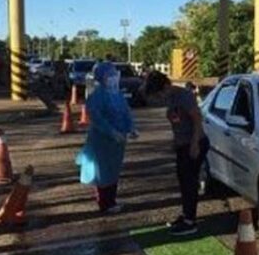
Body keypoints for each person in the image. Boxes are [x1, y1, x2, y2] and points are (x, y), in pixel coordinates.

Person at [144, 71, 209, 236]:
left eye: (160, 93)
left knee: (189, 183)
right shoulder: (171, 98)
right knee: (183, 181)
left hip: (193, 143)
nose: (159, 97)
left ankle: (190, 221)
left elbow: (197, 120)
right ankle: (186, 214)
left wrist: (194, 144)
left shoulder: (184, 96)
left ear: (166, 85)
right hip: (182, 144)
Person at [76, 62, 135, 214]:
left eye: (114, 75)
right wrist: (112, 132)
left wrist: (131, 128)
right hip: (102, 141)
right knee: (102, 172)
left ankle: (112, 201)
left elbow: (126, 113)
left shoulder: (117, 95)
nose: (114, 78)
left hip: (118, 141)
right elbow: (97, 118)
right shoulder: (96, 96)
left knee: (114, 171)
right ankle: (104, 203)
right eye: (110, 76)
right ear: (102, 78)